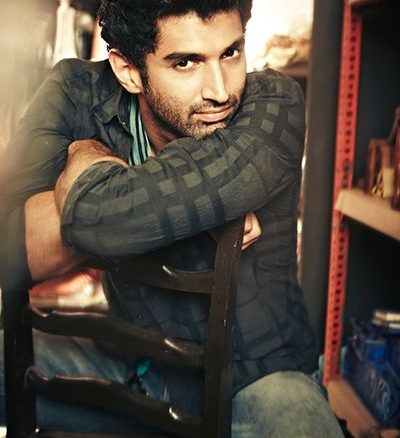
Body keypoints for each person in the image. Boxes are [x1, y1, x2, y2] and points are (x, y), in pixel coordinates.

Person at [0, 0, 344, 436]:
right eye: (185, 62)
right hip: (130, 361)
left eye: (231, 52)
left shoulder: (274, 104)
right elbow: (12, 254)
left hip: (256, 380)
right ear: (128, 70)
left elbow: (100, 218)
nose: (220, 91)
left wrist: (82, 160)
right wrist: (177, 206)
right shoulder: (76, 91)